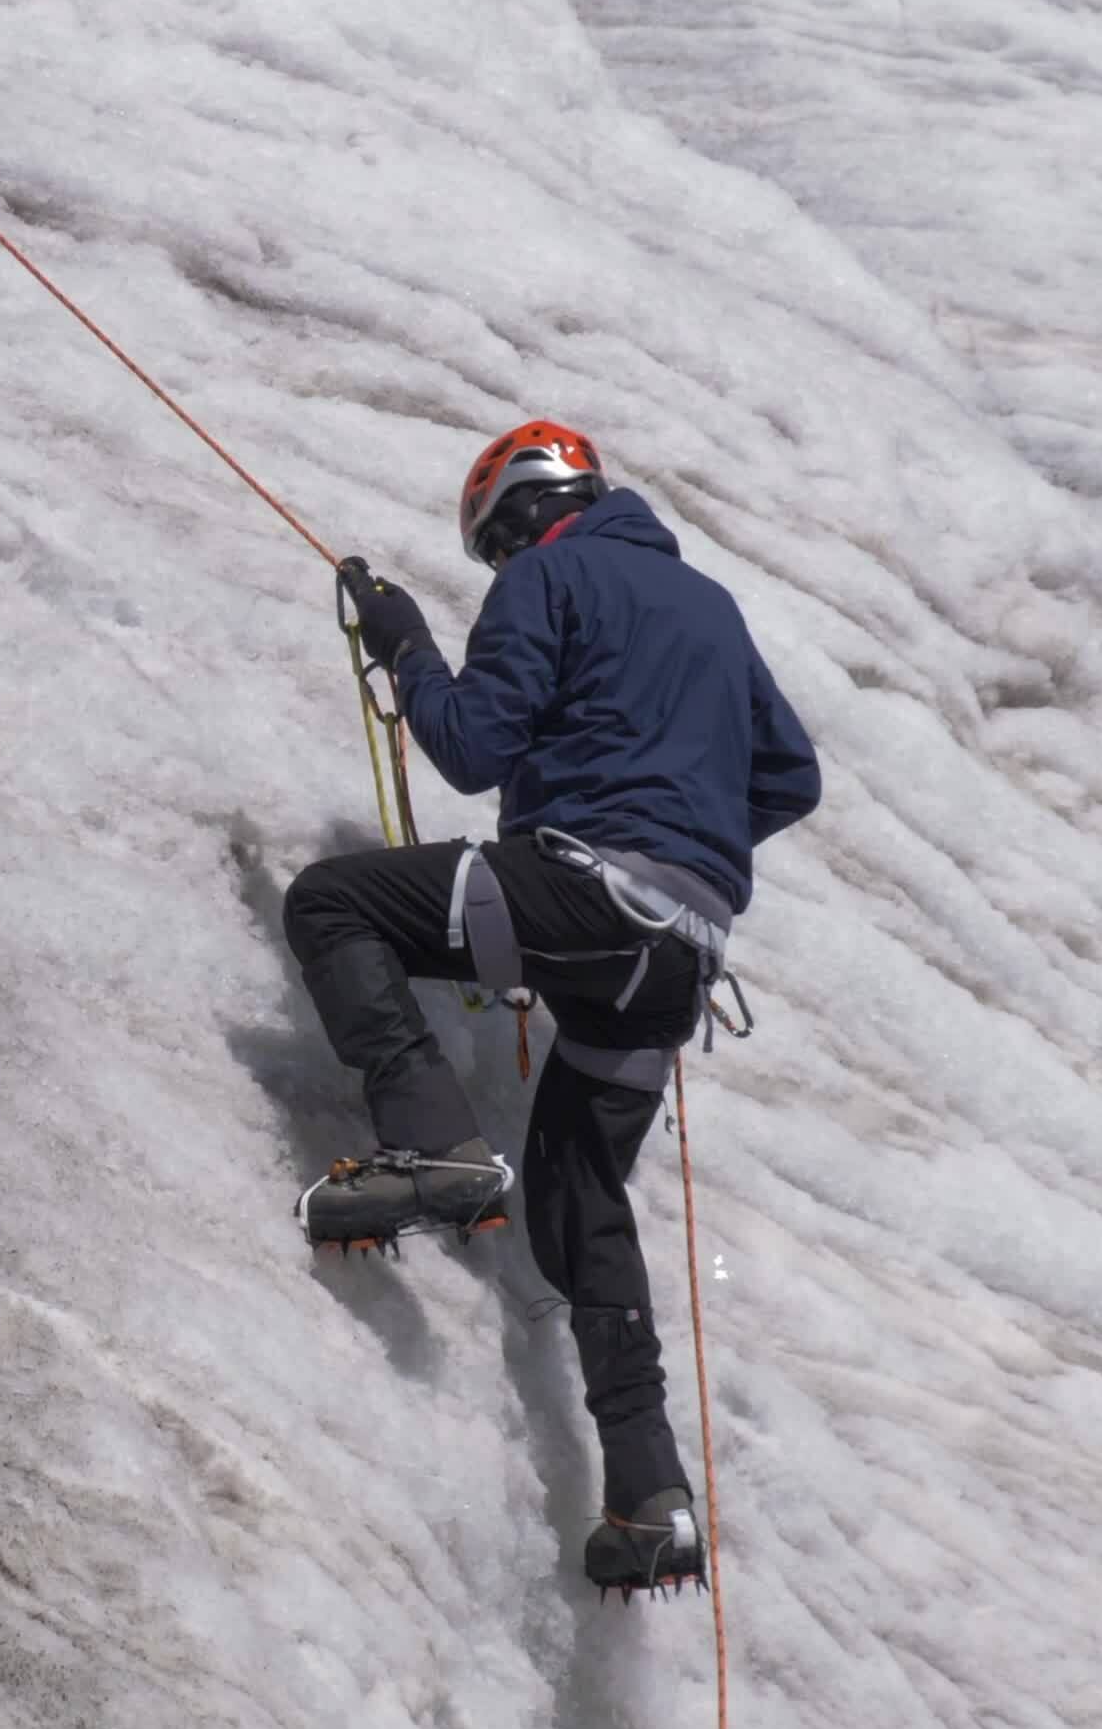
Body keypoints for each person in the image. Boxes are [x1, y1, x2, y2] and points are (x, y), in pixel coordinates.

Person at [283, 419, 819, 1595]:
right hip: (679, 956)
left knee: (332, 905)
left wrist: (411, 647)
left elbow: (472, 747)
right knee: (582, 1202)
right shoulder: (711, 607)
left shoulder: (551, 576)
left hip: (586, 894)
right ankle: (649, 1492)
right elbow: (791, 776)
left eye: (492, 551)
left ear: (517, 520)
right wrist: (684, 826)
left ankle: (430, 1141)